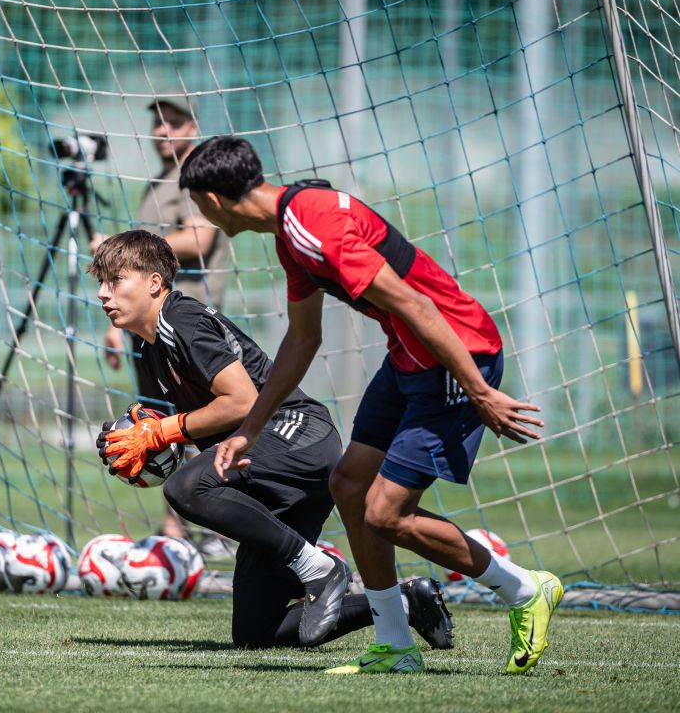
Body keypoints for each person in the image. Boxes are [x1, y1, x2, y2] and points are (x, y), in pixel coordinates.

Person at [179, 135, 563, 674]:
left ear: (213, 199)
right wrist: (250, 429)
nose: (200, 215)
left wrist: (479, 391)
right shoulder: (292, 233)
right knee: (349, 485)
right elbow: (302, 339)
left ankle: (524, 588)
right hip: (409, 359)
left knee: (385, 514)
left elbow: (416, 304)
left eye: (196, 204)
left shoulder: (311, 227)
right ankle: (395, 644)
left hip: (453, 356)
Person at [89, 230, 454, 651]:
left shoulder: (180, 319)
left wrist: (160, 432)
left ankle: (318, 569)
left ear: (154, 282)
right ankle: (406, 603)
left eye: (115, 280)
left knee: (185, 488)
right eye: (101, 282)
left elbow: (242, 401)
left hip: (296, 435)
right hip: (270, 458)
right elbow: (206, 425)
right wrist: (150, 447)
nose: (103, 293)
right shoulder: (153, 348)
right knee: (256, 632)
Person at [99, 95, 232, 551]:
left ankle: (218, 524)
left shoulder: (196, 176)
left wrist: (121, 246)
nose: (161, 131)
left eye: (172, 123)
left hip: (184, 320)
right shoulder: (156, 182)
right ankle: (178, 526)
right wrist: (116, 325)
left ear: (193, 125)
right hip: (148, 327)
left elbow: (200, 237)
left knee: (200, 424)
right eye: (157, 123)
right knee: (159, 420)